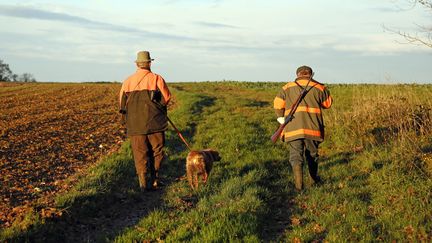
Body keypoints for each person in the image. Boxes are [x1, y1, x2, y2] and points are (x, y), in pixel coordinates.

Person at [273, 65, 332, 191]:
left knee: (295, 156)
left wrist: (280, 118)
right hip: (313, 128)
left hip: (293, 128)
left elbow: (277, 103)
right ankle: (314, 180)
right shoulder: (320, 87)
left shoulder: (287, 87)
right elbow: (328, 104)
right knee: (312, 155)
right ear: (310, 74)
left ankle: (299, 187)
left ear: (297, 74)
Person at [119, 51, 171, 191]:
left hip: (135, 125)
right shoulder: (156, 79)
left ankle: (142, 183)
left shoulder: (127, 81)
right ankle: (155, 180)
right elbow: (166, 98)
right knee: (157, 151)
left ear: (137, 64)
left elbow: (121, 104)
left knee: (139, 153)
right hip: (155, 123)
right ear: (149, 63)